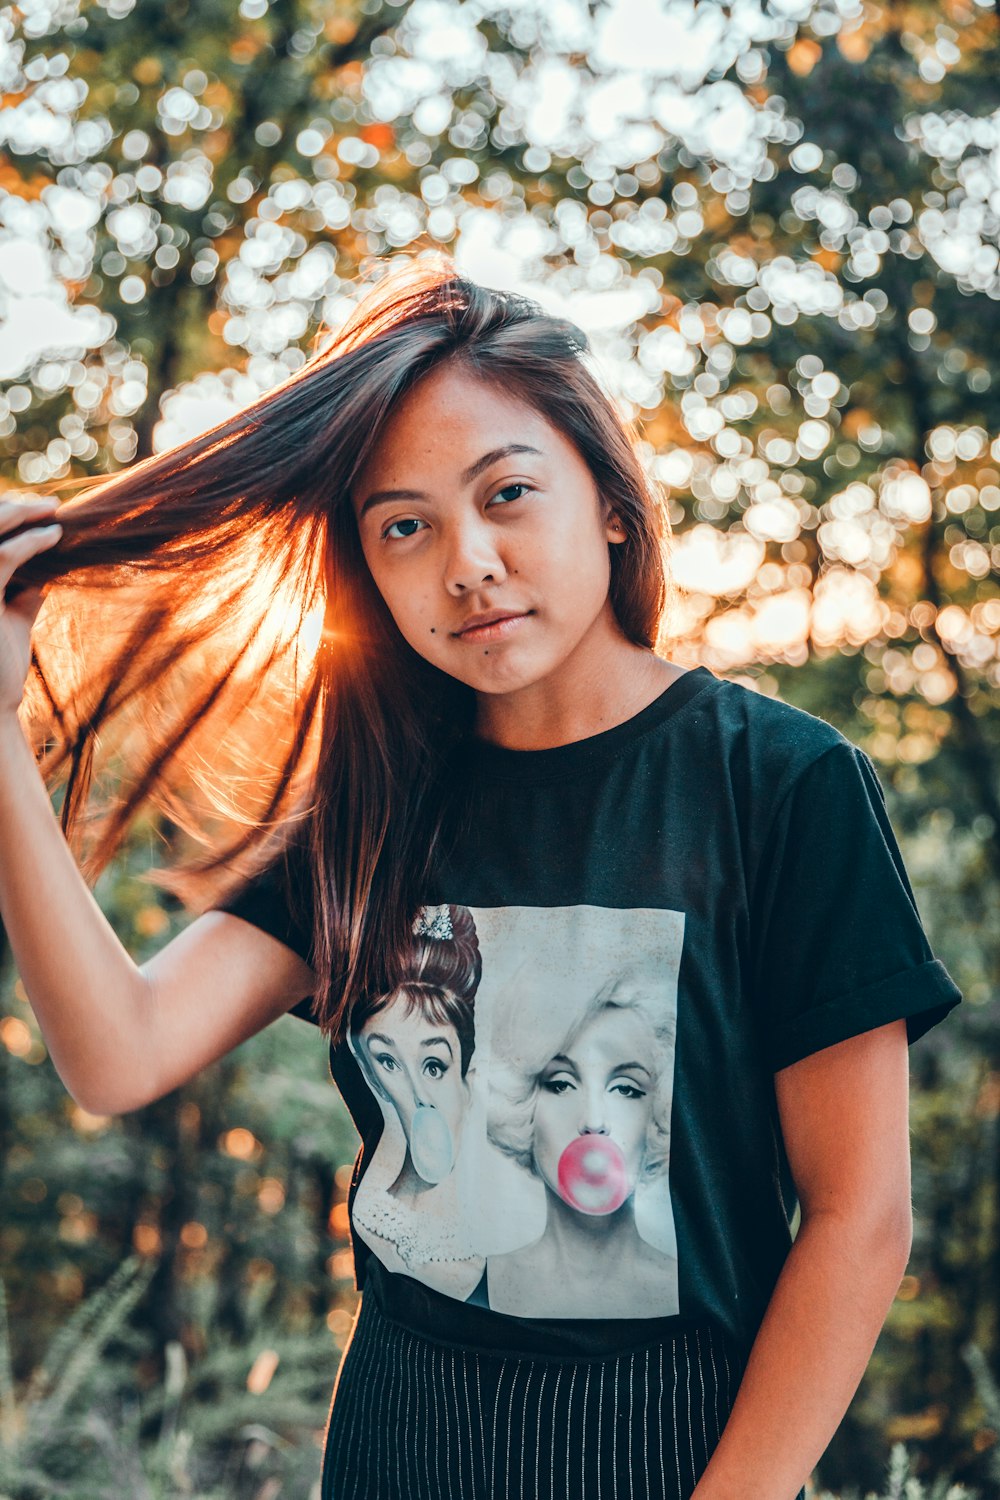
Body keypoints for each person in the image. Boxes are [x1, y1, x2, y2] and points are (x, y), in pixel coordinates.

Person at [0, 258, 963, 1500]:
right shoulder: (378, 806)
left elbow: (858, 1220)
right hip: (399, 1435)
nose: (466, 562)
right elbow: (118, 1052)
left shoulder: (776, 782)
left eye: (507, 494)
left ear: (610, 504)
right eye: (404, 525)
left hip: (673, 1448)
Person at [477, 958, 680, 1319]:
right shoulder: (476, 1284)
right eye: (561, 1084)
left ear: (657, 1111)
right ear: (522, 1104)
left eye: (626, 1089)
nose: (594, 1121)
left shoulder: (691, 1293)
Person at [347, 901, 486, 1299]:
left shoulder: (516, 1223)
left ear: (468, 1074)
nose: (419, 1095)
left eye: (433, 1065)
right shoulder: (377, 1221)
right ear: (371, 1074)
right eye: (389, 1061)